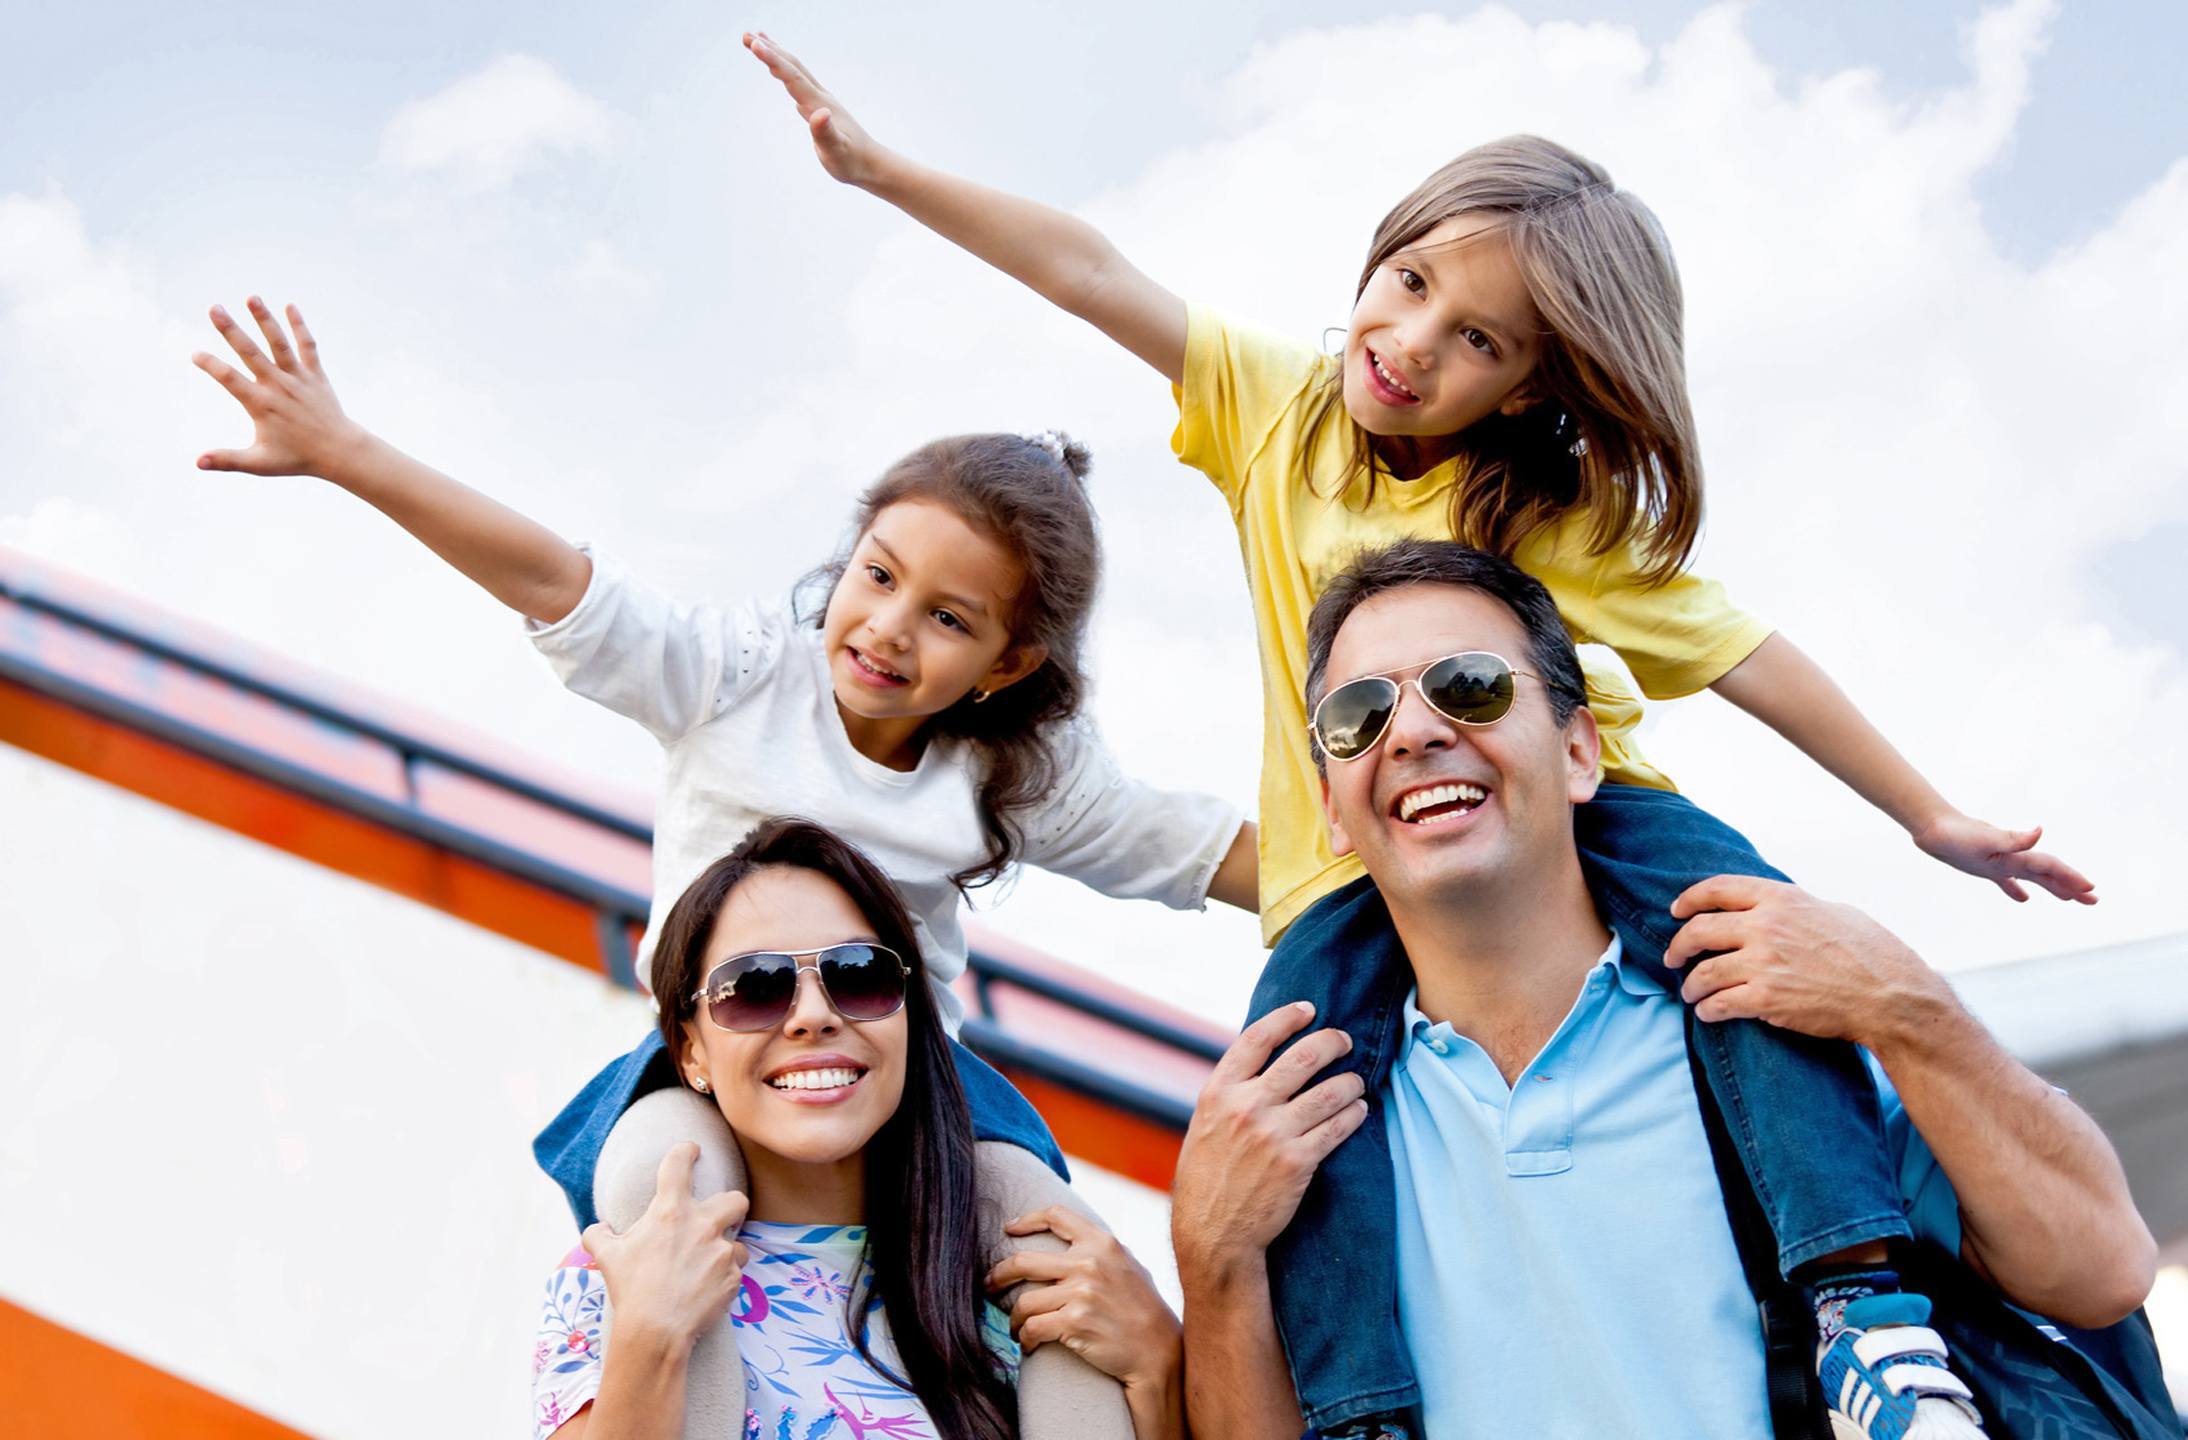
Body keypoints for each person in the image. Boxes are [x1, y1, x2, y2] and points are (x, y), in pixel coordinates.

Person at [739, 34, 2097, 1429]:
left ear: (1526, 388)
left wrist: (1925, 812)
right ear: (1380, 257)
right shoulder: (1282, 414)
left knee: (1759, 962)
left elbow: (1752, 659)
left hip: (1596, 817)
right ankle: (1364, 1411)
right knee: (1295, 1112)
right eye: (1410, 285)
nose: (1412, 344)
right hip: (1346, 865)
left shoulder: (1547, 520)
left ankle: (1862, 1311)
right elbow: (1091, 273)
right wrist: (881, 170)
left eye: (1479, 342)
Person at [188, 302, 1220, 1429]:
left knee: (1056, 1252)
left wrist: (1402, 824)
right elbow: (557, 582)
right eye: (875, 577)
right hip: (713, 1058)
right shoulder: (739, 679)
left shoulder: (1010, 773)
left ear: (1005, 662)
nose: (886, 628)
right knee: (660, 1194)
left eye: (946, 618)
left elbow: (1191, 846)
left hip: (919, 1068)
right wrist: (348, 455)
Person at [1164, 541, 2156, 1439]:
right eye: (1358, 713)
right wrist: (1208, 1257)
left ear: (1581, 750)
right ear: (1333, 811)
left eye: (1467, 685)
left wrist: (1906, 1002)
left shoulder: (1767, 1030)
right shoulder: (1310, 1137)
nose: (1414, 733)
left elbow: (2100, 1271)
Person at [531, 817, 1180, 1439]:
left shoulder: (1027, 1284)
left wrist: (1158, 1364)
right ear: (691, 1051)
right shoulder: (614, 1270)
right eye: (754, 987)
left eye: (858, 975)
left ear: (909, 1016)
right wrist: (650, 1335)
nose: (813, 1016)